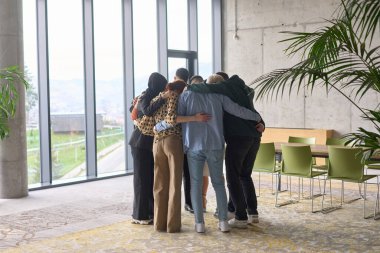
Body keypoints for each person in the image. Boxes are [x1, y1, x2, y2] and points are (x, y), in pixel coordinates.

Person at [177, 78, 262, 233]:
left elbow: (176, 118)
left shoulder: (186, 96)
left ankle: (199, 224)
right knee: (218, 183)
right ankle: (223, 222)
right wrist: (257, 118)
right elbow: (238, 110)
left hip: (194, 146)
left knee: (195, 184)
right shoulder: (218, 96)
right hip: (215, 145)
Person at [149, 80, 211, 233]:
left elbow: (147, 118)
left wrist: (157, 127)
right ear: (180, 89)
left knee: (159, 184)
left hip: (156, 142)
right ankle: (172, 225)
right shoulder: (175, 96)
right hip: (172, 141)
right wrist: (195, 118)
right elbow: (172, 119)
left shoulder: (158, 98)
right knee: (174, 184)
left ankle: (159, 224)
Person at [128, 72, 170, 225]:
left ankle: (151, 213)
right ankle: (140, 216)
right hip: (140, 143)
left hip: (149, 143)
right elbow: (146, 110)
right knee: (141, 180)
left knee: (150, 179)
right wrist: (162, 98)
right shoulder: (146, 96)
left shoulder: (151, 95)